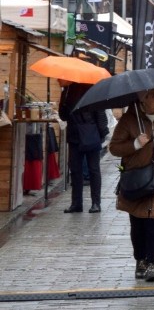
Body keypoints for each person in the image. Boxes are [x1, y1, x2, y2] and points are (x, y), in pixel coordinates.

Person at [109, 89, 154, 283]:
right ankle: (140, 259)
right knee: (138, 223)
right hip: (136, 179)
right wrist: (134, 144)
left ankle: (152, 264)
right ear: (143, 99)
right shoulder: (129, 120)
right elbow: (114, 148)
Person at [58, 81, 108, 213]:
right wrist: (63, 98)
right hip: (75, 136)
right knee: (75, 170)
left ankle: (96, 203)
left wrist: (102, 133)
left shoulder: (92, 90)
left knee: (93, 169)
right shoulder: (67, 91)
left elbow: (100, 113)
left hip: (90, 133)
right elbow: (63, 116)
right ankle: (76, 203)